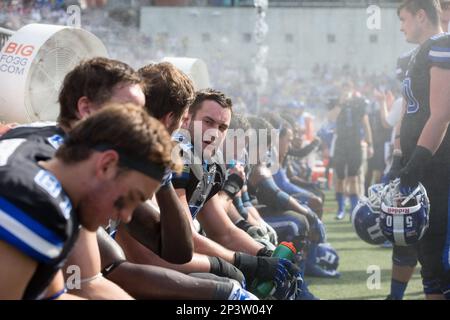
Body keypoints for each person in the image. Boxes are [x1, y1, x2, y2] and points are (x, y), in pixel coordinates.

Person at [0, 103, 177, 299]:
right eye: (130, 198)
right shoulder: (35, 204)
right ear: (107, 164)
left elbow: (52, 295)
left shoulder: (48, 184)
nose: (126, 216)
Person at [390, 0, 450, 300]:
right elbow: (409, 113)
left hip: (438, 167)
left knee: (441, 257)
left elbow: (441, 114)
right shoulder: (416, 54)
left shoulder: (443, 44)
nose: (401, 26)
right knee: (427, 255)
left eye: (404, 18)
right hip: (421, 164)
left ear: (421, 16)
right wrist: (399, 155)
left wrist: (417, 163)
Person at [328, 83, 374, 220]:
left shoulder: (359, 103)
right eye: (344, 88)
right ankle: (341, 209)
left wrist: (370, 143)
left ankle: (353, 211)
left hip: (355, 143)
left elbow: (366, 124)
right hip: (341, 142)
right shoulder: (336, 102)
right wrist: (341, 103)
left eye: (348, 88)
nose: (346, 91)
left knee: (353, 177)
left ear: (353, 90)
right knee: (340, 178)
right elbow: (331, 118)